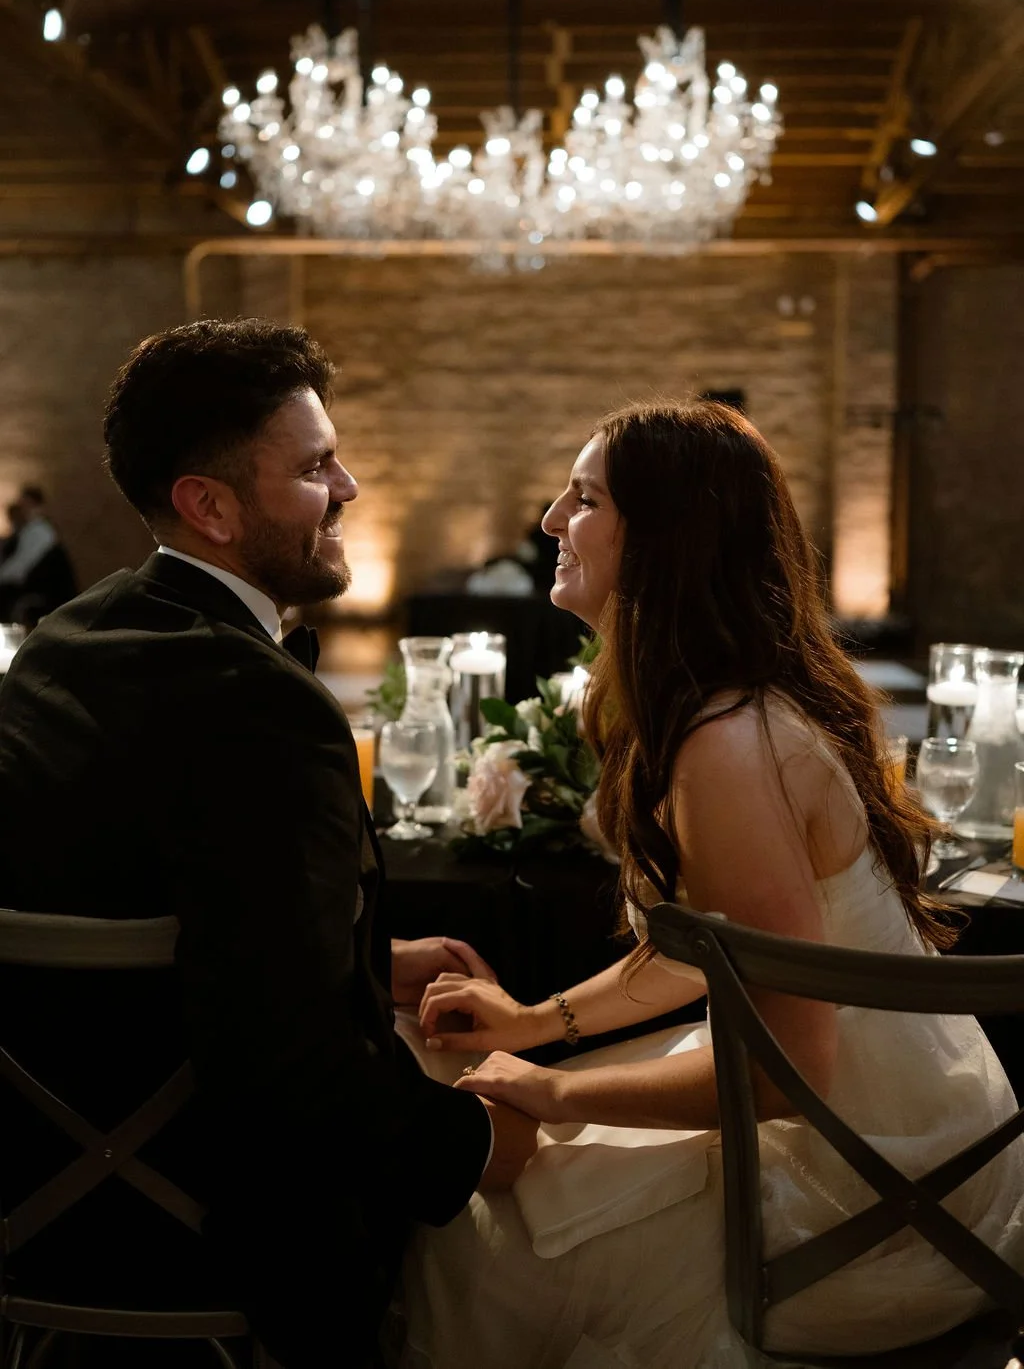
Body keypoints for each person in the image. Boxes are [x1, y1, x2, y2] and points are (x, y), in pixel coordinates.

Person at [400, 400, 1024, 1368]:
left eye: (584, 497)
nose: (550, 521)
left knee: (472, 1233)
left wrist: (559, 1097)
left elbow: (787, 1072)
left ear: (664, 538)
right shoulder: (703, 713)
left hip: (868, 1189)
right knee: (488, 1136)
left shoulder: (730, 748)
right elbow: (711, 953)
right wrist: (537, 1023)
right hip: (841, 1119)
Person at [0, 318, 536, 1368]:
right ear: (209, 505)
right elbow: (286, 1058)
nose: (350, 488)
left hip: (34, 1191)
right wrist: (469, 1148)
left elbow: (134, 920)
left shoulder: (67, 643)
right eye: (316, 466)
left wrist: (365, 966)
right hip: (211, 1225)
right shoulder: (264, 708)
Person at [0, 485, 76, 623]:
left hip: (47, 599)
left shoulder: (40, 531)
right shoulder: (31, 530)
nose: (23, 509)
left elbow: (19, 569)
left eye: (25, 504)